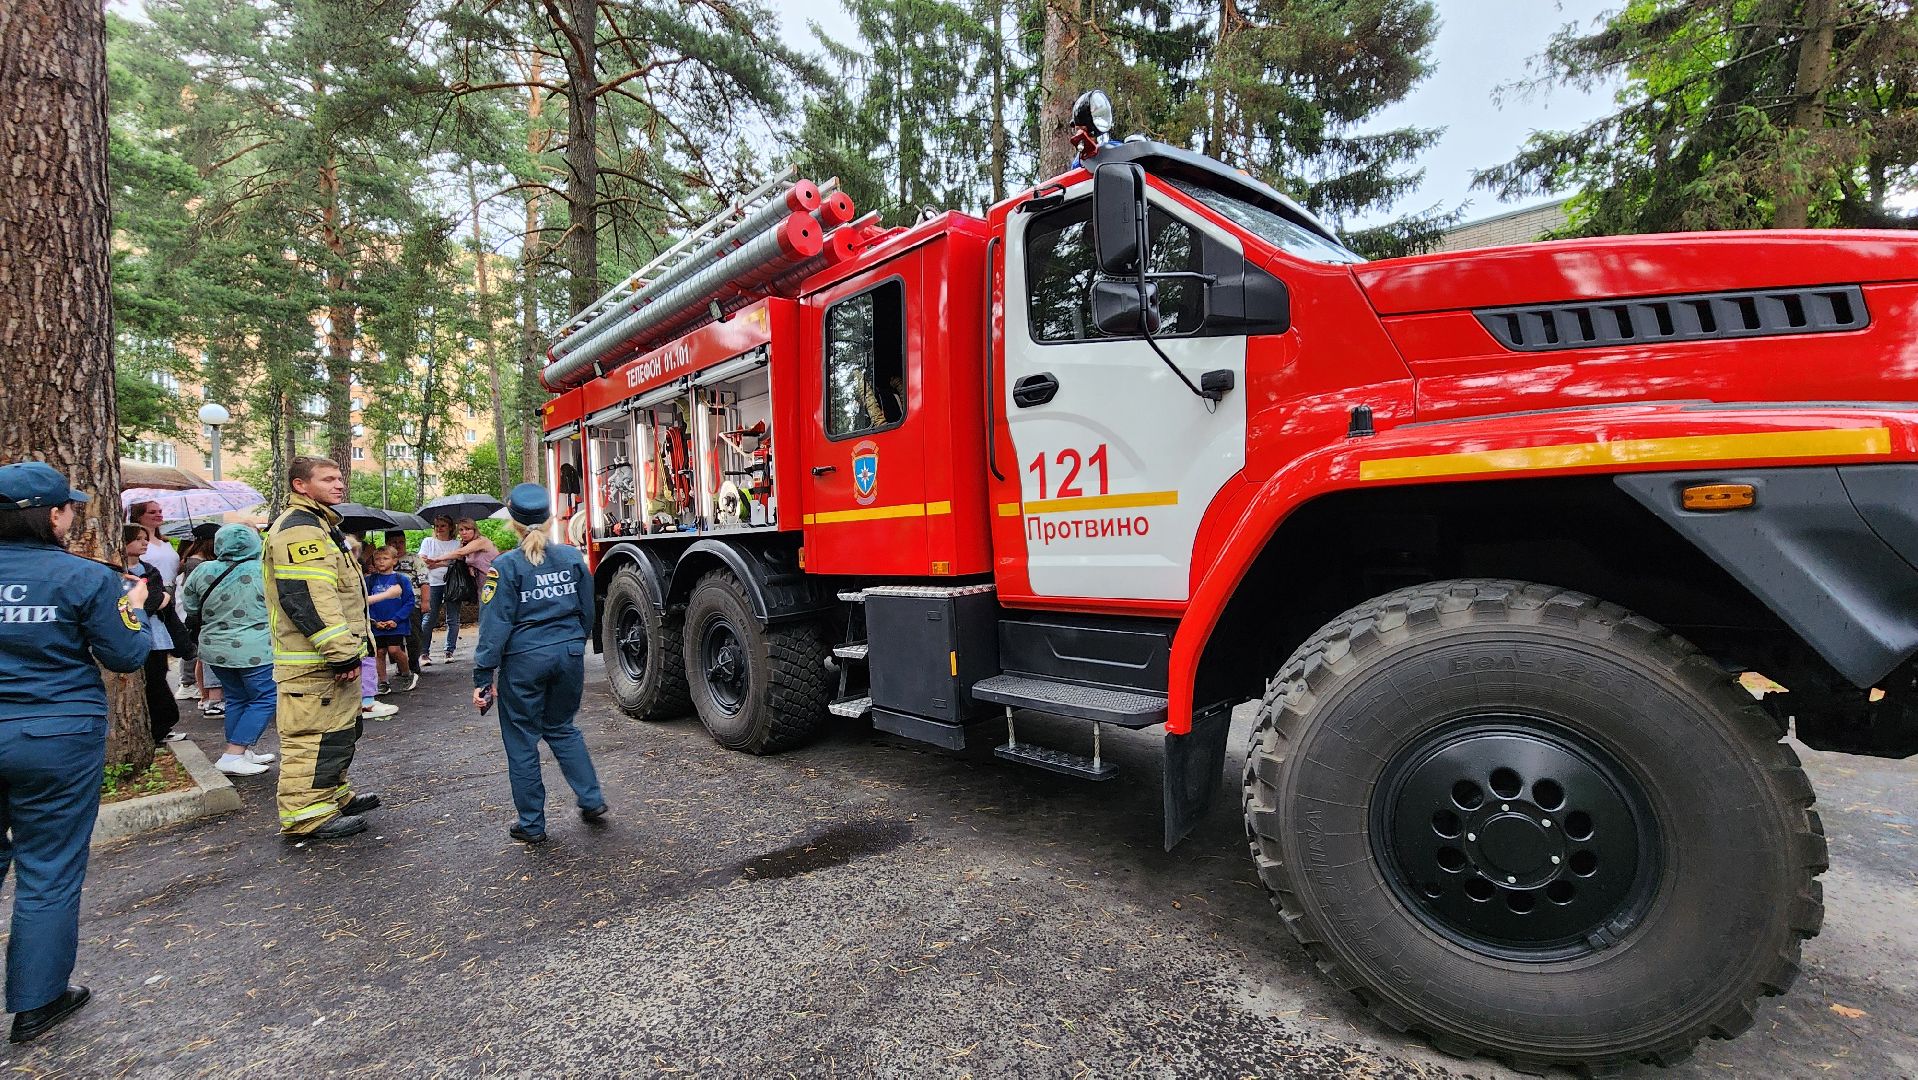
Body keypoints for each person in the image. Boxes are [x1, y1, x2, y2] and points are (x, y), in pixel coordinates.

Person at [0, 462, 151, 1044]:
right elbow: (127, 656)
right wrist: (133, 607)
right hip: (54, 736)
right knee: (48, 868)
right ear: (53, 514)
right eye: (68, 508)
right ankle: (37, 1002)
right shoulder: (86, 578)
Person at [472, 484, 608, 844]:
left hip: (524, 661)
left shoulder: (505, 566)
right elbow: (588, 609)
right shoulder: (571, 558)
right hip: (568, 655)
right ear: (550, 520)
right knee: (562, 727)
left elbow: (495, 626)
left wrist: (483, 676)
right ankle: (592, 799)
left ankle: (532, 824)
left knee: (521, 741)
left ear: (513, 523)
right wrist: (573, 644)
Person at [263, 457, 380, 841]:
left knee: (339, 731)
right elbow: (308, 598)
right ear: (300, 485)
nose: (339, 484)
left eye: (340, 478)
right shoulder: (299, 531)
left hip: (327, 658)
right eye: (327, 479)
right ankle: (306, 817)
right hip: (314, 662)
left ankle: (332, 797)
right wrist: (340, 652)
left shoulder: (320, 525)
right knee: (312, 737)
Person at [179, 524, 277, 778]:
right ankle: (234, 752)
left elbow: (190, 605)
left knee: (236, 698)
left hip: (214, 648)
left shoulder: (203, 569)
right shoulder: (263, 571)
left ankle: (240, 751)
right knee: (266, 697)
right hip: (255, 648)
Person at [118, 525, 181, 745]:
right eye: (138, 539)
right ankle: (159, 724)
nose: (145, 543)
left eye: (146, 538)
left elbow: (157, 599)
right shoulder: (116, 570)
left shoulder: (149, 569)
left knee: (158, 675)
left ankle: (162, 724)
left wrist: (153, 600)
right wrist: (153, 600)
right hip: (131, 632)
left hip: (156, 634)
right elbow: (154, 600)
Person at [424, 519, 498, 664]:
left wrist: (437, 558)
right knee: (485, 618)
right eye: (461, 530)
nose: (464, 532)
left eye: (467, 529)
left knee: (491, 617)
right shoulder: (466, 544)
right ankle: (490, 650)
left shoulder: (481, 541)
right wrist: (435, 563)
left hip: (494, 582)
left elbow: (460, 553)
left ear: (474, 530)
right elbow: (458, 562)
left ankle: (493, 651)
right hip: (481, 585)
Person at [176, 528, 223, 718]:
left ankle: (203, 694)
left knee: (201, 655)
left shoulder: (197, 562)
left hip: (200, 616)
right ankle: (200, 693)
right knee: (201, 656)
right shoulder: (196, 564)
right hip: (202, 616)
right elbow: (192, 593)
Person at [365, 546, 416, 694]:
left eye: (385, 558)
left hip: (396, 623)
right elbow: (367, 601)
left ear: (394, 560)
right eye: (378, 559)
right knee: (379, 652)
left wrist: (396, 619)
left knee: (394, 649)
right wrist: (374, 620)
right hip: (377, 623)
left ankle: (407, 674)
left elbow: (409, 601)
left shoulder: (401, 579)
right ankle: (383, 681)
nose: (381, 562)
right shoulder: (370, 580)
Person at [416, 517, 459, 666]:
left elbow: (457, 562)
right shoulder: (428, 542)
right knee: (429, 618)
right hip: (433, 583)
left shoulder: (456, 543)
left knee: (452, 618)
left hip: (452, 583)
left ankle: (449, 650)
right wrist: (446, 562)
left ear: (450, 527)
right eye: (437, 526)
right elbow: (422, 561)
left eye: (443, 526)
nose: (439, 528)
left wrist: (435, 562)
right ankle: (423, 652)